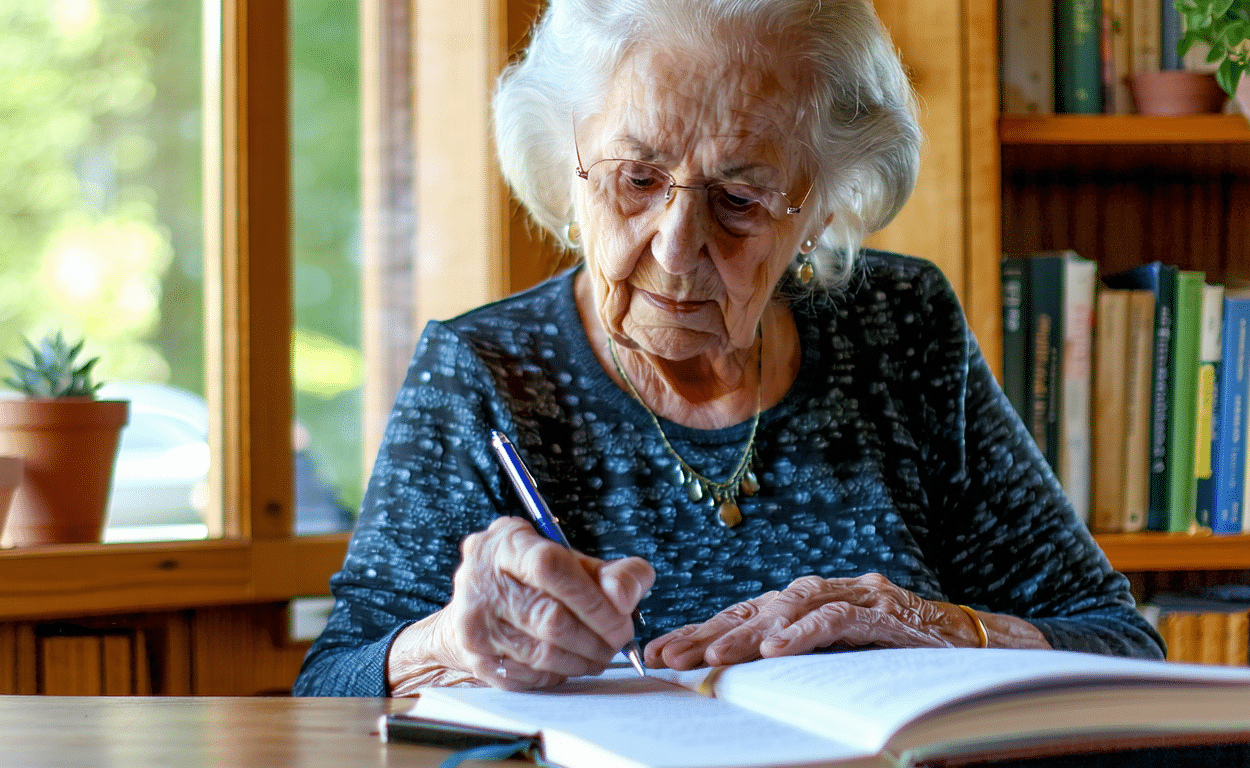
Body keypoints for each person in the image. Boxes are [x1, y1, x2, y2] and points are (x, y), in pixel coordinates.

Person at [293, 0, 1163, 698]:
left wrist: (941, 626)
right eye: (637, 179)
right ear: (569, 167)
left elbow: (1120, 641)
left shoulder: (901, 327)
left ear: (821, 208)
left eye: (740, 199)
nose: (676, 246)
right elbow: (329, 688)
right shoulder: (483, 372)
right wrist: (452, 641)